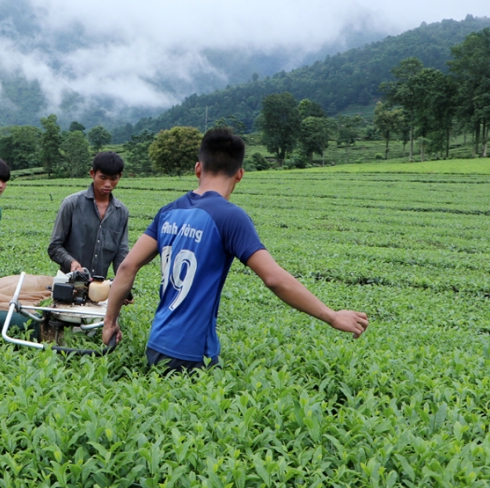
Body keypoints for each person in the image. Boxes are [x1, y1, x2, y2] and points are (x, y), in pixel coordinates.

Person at [102, 128, 369, 374]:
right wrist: (331, 316)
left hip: (157, 344)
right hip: (193, 353)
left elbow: (127, 267)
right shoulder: (230, 217)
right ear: (240, 174)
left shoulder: (169, 211)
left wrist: (110, 322)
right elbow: (273, 278)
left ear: (198, 168)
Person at [48, 151, 129, 280]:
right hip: (69, 283)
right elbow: (54, 247)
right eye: (103, 178)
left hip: (99, 286)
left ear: (119, 176)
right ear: (92, 173)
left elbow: (121, 253)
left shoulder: (121, 211)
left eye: (113, 179)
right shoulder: (72, 204)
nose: (108, 184)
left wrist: (122, 281)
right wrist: (71, 262)